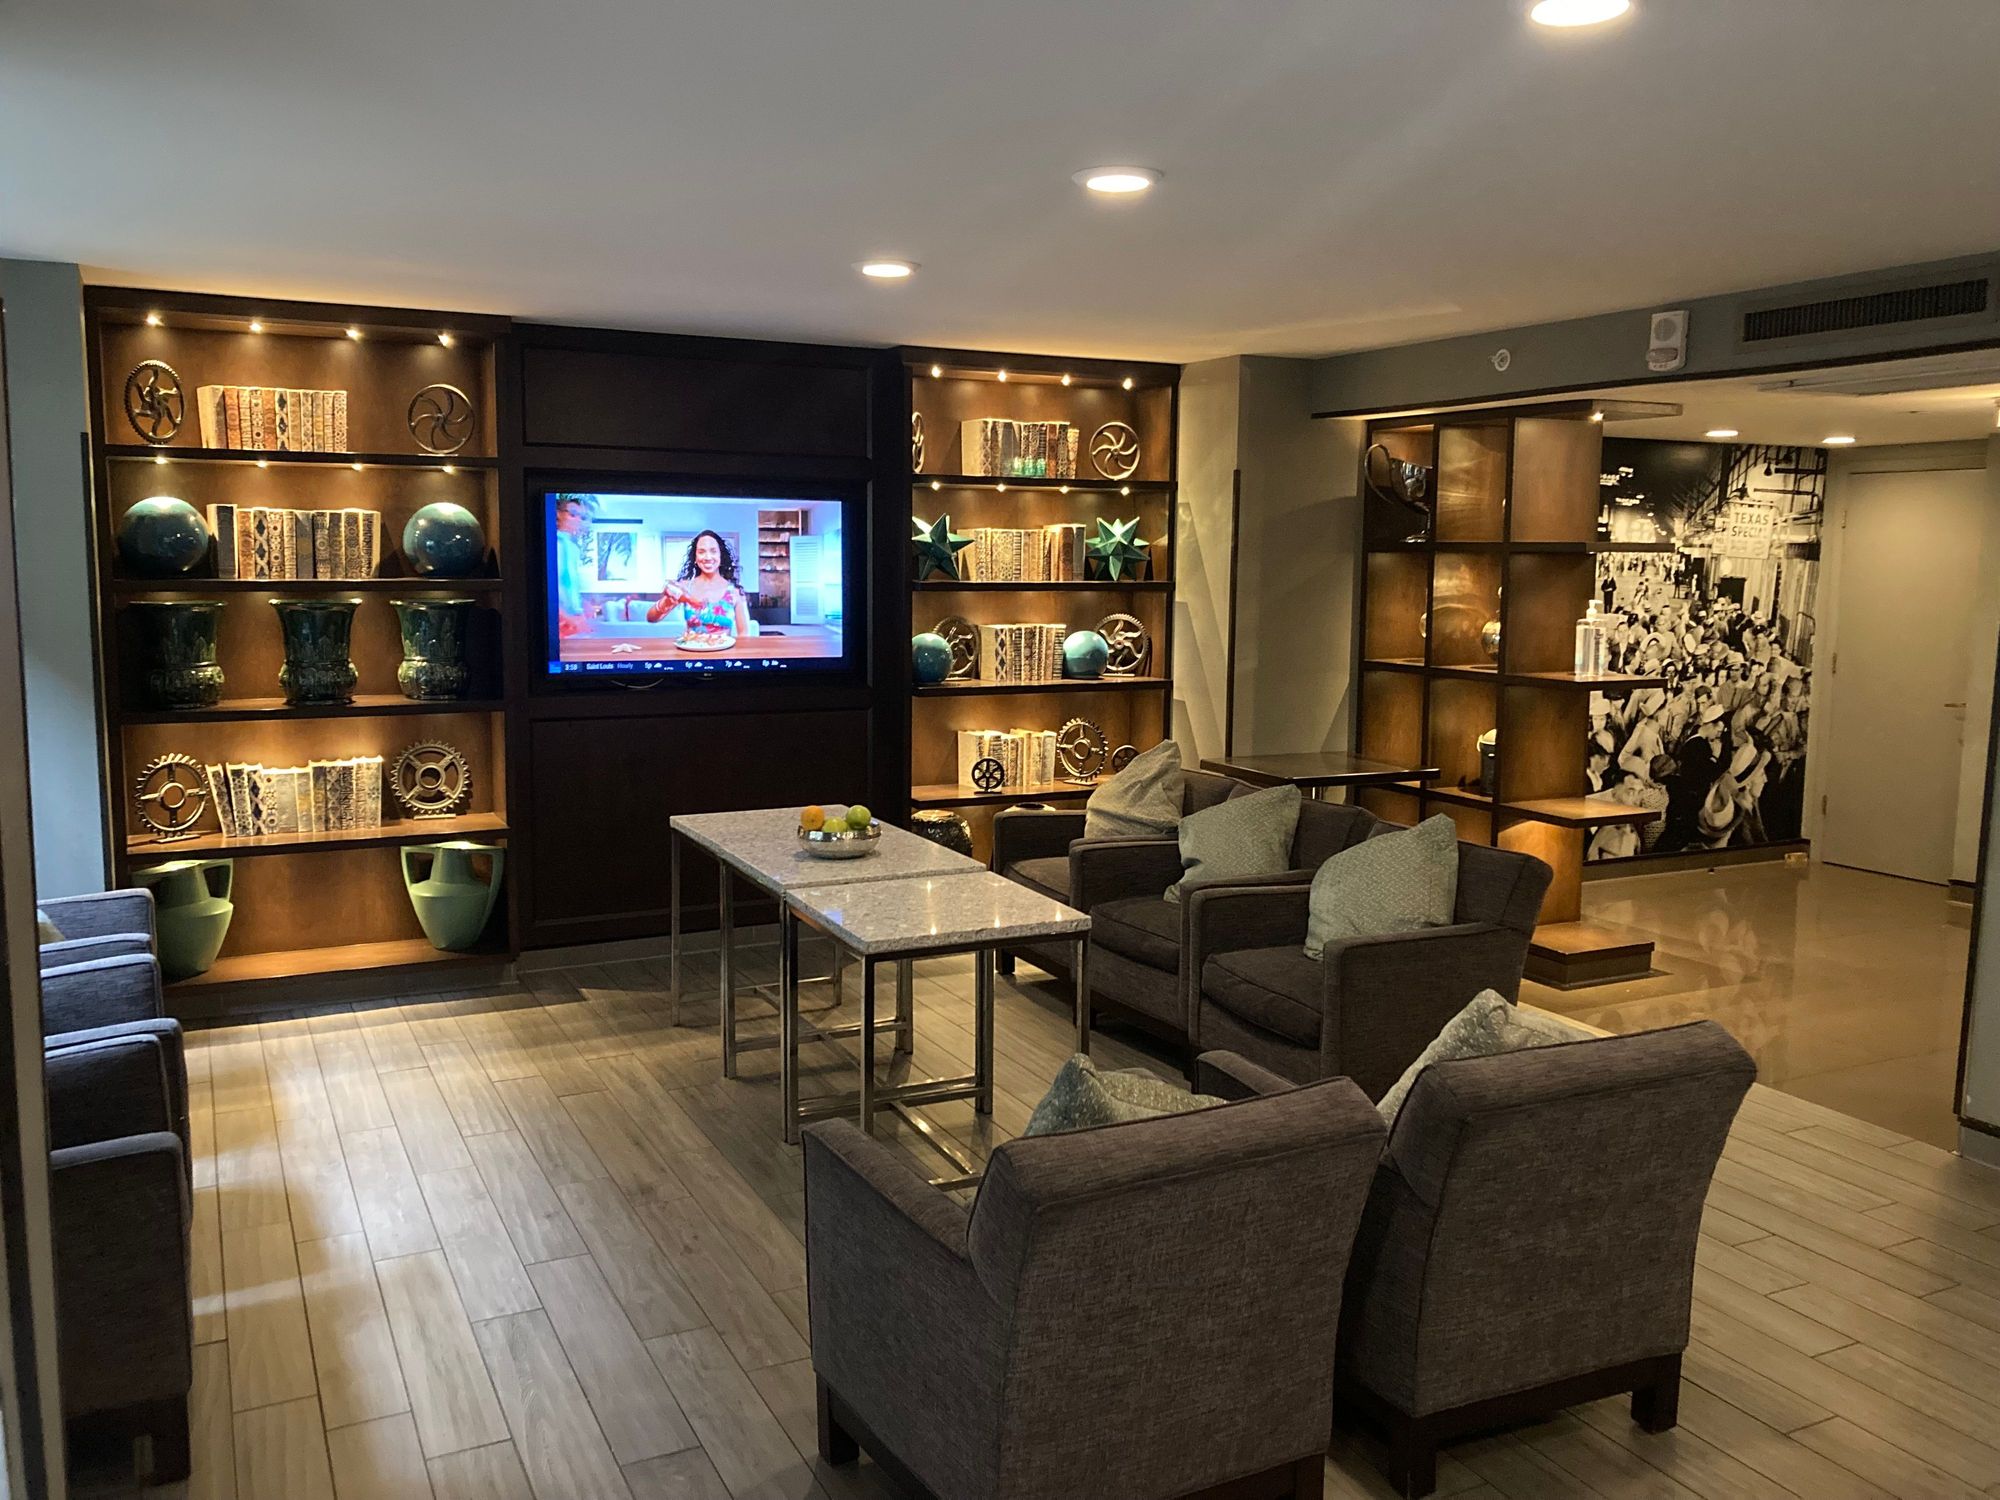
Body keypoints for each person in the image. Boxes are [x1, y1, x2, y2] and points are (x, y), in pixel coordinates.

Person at [648, 529, 751, 641]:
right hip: (691, 650)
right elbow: (651, 618)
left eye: (713, 551)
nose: (708, 557)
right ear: (695, 557)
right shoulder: (684, 587)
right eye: (701, 552)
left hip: (723, 651)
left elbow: (744, 634)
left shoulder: (735, 592)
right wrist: (666, 602)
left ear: (721, 555)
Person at [553, 494, 594, 638]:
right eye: (573, 514)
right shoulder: (551, 543)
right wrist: (563, 616)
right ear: (558, 514)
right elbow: (547, 586)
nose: (578, 520)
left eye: (581, 517)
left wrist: (581, 606)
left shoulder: (572, 548)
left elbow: (568, 584)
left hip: (572, 621)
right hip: (558, 620)